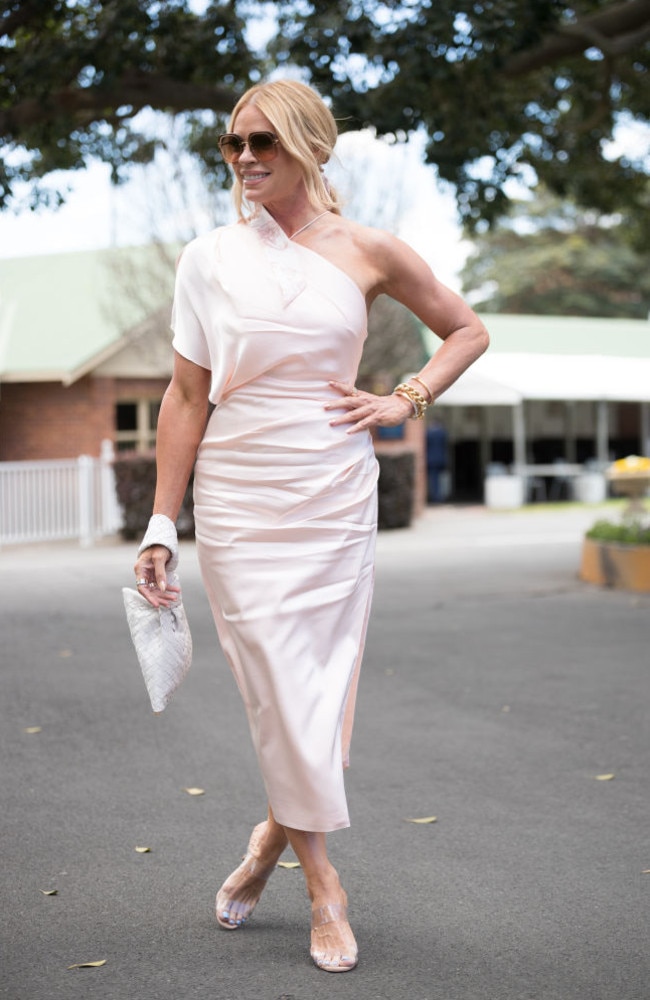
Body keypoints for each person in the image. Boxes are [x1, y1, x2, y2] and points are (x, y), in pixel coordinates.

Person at [133, 78, 489, 974]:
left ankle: (267, 844)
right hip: (241, 495)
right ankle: (325, 885)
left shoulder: (369, 250)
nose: (246, 159)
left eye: (264, 143)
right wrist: (161, 524)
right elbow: (184, 395)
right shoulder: (206, 258)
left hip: (333, 493)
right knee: (277, 689)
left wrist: (404, 398)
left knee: (318, 690)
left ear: (311, 147)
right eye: (233, 144)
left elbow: (466, 330)